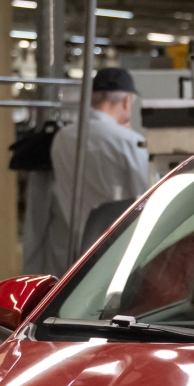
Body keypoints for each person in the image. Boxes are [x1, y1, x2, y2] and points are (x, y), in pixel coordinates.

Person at [47, 66, 154, 265]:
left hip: (75, 246)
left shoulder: (62, 138)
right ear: (126, 100)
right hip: (118, 246)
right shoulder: (129, 142)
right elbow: (146, 195)